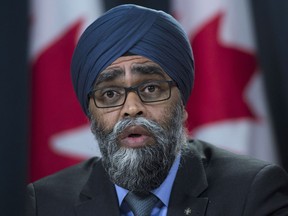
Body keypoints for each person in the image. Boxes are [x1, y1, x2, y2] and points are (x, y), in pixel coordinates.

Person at [26, 4, 288, 216]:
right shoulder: (43, 204)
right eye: (109, 94)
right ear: (90, 114)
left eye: (151, 88)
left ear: (182, 104)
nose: (131, 108)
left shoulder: (252, 192)